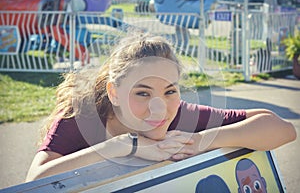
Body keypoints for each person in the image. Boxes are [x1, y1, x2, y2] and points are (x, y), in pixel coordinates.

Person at [26, 32, 296, 182]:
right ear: (114, 93)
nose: (160, 108)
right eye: (142, 93)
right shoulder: (82, 114)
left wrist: (202, 140)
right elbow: (35, 181)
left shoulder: (180, 114)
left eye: (170, 91)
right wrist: (122, 146)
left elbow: (282, 129)